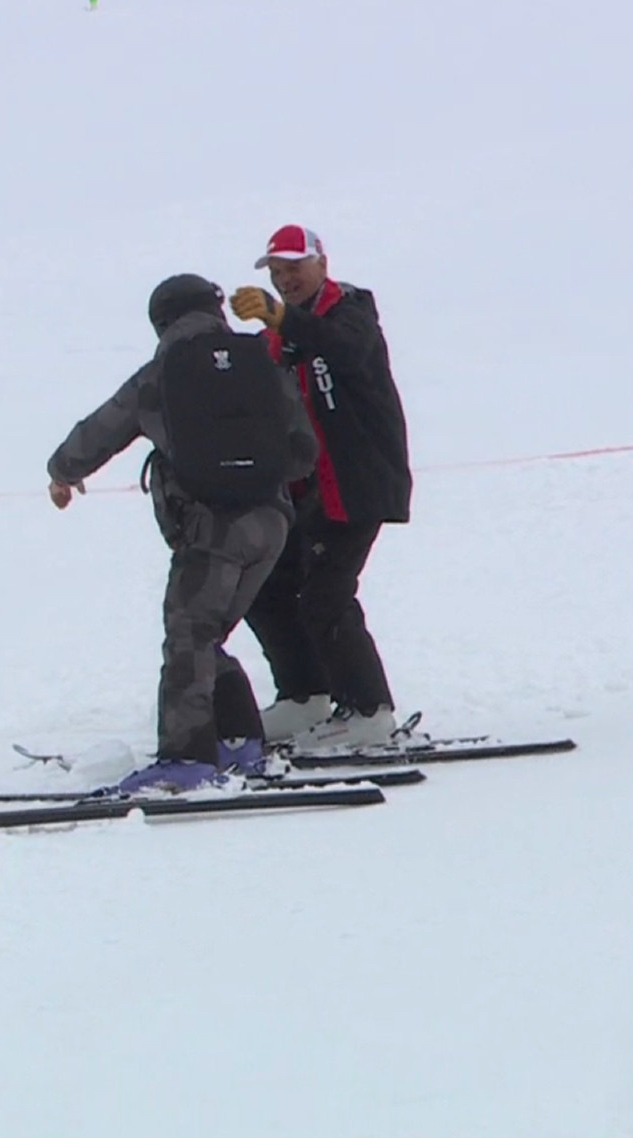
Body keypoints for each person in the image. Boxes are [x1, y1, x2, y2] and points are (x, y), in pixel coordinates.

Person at [47, 275, 319, 793]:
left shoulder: (163, 374)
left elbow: (102, 430)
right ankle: (239, 742)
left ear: (161, 322)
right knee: (205, 636)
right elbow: (303, 449)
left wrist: (62, 472)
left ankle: (186, 757)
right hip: (272, 524)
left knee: (188, 637)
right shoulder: (260, 363)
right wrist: (253, 474)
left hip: (212, 528)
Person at [229, 226, 412, 749]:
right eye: (277, 272)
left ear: (322, 264)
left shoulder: (350, 314)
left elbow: (344, 347)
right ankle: (305, 695)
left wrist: (280, 317)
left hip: (357, 484)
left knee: (325, 594)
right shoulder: (280, 334)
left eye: (295, 267)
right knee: (268, 586)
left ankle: (369, 709)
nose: (286, 279)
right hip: (304, 490)